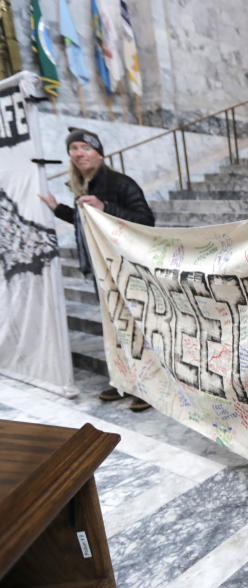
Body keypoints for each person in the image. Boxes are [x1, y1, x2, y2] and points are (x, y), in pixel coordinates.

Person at [39, 127, 156, 412]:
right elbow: (88, 225)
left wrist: (105, 206)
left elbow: (146, 220)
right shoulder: (84, 185)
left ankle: (149, 386)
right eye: (73, 149)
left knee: (135, 327)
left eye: (84, 147)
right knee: (114, 328)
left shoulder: (119, 183)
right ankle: (124, 381)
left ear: (98, 152)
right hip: (101, 269)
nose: (78, 153)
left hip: (124, 268)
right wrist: (60, 210)